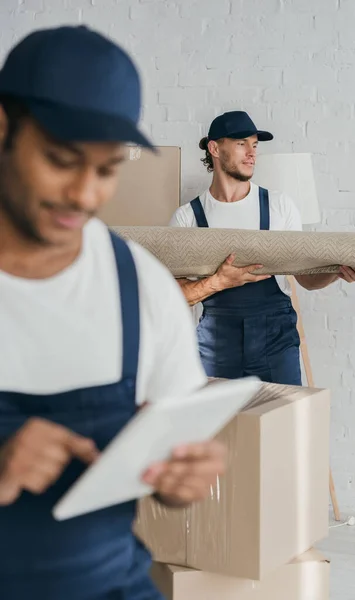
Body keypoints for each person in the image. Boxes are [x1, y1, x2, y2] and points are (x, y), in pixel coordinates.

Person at [0, 26, 226, 600]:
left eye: (105, 170)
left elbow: (173, 452)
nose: (83, 194)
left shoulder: (141, 287)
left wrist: (181, 479)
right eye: (60, 160)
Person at [170, 111, 355, 385]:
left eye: (255, 145)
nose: (252, 153)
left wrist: (337, 272)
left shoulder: (279, 206)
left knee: (284, 423)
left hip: (275, 342)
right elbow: (172, 297)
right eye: (241, 143)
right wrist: (218, 282)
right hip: (216, 345)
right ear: (214, 148)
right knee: (218, 427)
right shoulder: (187, 217)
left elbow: (306, 279)